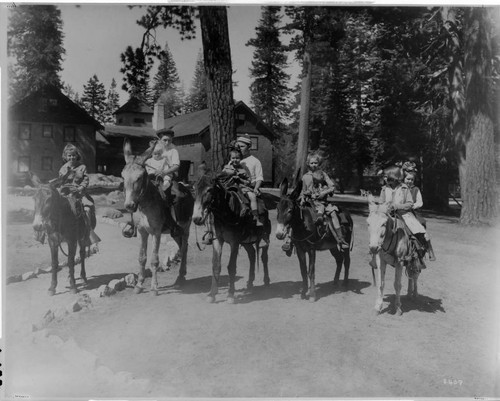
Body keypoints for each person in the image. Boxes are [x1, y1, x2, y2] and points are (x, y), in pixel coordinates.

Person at [379, 165, 436, 261]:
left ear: (394, 177)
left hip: (403, 213)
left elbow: (409, 204)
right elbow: (381, 202)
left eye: (387, 177)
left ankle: (416, 250)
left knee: (415, 229)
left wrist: (397, 206)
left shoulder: (404, 188)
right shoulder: (384, 189)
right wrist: (384, 208)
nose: (385, 179)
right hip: (388, 214)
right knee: (376, 227)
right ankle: (374, 253)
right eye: (384, 177)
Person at [300, 153, 349, 249]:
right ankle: (290, 240)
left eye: (316, 163)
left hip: (322, 202)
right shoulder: (305, 177)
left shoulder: (323, 174)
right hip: (309, 203)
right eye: (312, 163)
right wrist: (303, 198)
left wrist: (324, 192)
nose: (314, 165)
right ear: (308, 164)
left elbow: (332, 186)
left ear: (318, 164)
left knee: (333, 214)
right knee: (296, 215)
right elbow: (303, 190)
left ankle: (340, 238)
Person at [57, 144, 100, 245]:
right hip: (66, 193)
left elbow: (85, 180)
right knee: (54, 206)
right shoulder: (63, 168)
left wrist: (80, 188)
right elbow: (61, 182)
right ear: (65, 157)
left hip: (79, 193)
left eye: (73, 155)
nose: (71, 157)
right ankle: (56, 231)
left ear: (77, 156)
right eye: (69, 156)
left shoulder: (82, 167)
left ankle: (88, 231)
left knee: (87, 208)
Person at [145, 128, 182, 236]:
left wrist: (164, 172)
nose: (167, 142)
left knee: (177, 196)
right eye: (164, 140)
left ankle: (174, 223)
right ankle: (135, 222)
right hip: (152, 176)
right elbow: (146, 161)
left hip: (169, 176)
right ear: (160, 139)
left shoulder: (173, 150)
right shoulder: (154, 148)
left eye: (169, 140)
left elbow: (176, 166)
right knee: (139, 191)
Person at [236, 134, 269, 247]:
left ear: (249, 147)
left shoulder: (255, 161)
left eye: (242, 146)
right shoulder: (235, 159)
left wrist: (256, 188)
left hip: (250, 187)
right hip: (237, 188)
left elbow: (259, 177)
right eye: (238, 146)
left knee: (260, 208)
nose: (239, 149)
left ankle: (263, 234)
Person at [222, 148, 261, 225]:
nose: (235, 160)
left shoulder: (244, 169)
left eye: (237, 158)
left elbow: (248, 181)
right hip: (229, 187)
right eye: (233, 158)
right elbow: (221, 178)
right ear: (230, 158)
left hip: (242, 188)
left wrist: (240, 179)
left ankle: (255, 216)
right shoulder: (226, 168)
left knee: (252, 196)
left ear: (240, 159)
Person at [403, 170, 436, 261]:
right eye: (408, 179)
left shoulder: (415, 189)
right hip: (400, 211)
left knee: (421, 224)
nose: (409, 181)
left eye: (412, 180)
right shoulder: (400, 188)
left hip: (411, 211)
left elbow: (420, 202)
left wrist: (412, 206)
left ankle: (428, 248)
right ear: (403, 179)